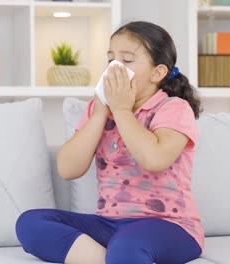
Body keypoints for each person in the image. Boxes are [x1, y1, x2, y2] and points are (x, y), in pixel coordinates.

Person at [16, 21, 204, 264]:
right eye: (110, 59)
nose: (115, 67)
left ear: (157, 72)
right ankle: (114, 259)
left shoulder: (174, 108)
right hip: (109, 224)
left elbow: (154, 159)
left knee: (128, 244)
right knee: (31, 223)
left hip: (170, 226)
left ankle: (122, 255)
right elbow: (68, 169)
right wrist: (99, 114)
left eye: (126, 60)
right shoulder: (101, 110)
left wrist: (122, 109)